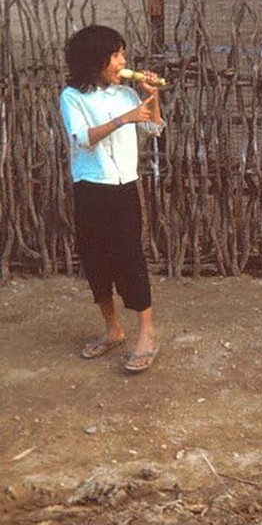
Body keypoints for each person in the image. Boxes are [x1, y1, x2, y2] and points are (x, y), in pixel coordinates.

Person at [60, 24, 165, 374]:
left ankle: (147, 334)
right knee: (94, 259)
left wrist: (151, 95)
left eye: (122, 53)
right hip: (90, 187)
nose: (123, 61)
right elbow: (82, 138)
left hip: (123, 188)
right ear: (95, 61)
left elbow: (153, 127)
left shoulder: (126, 93)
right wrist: (123, 119)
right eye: (116, 55)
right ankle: (113, 329)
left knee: (130, 257)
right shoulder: (73, 97)